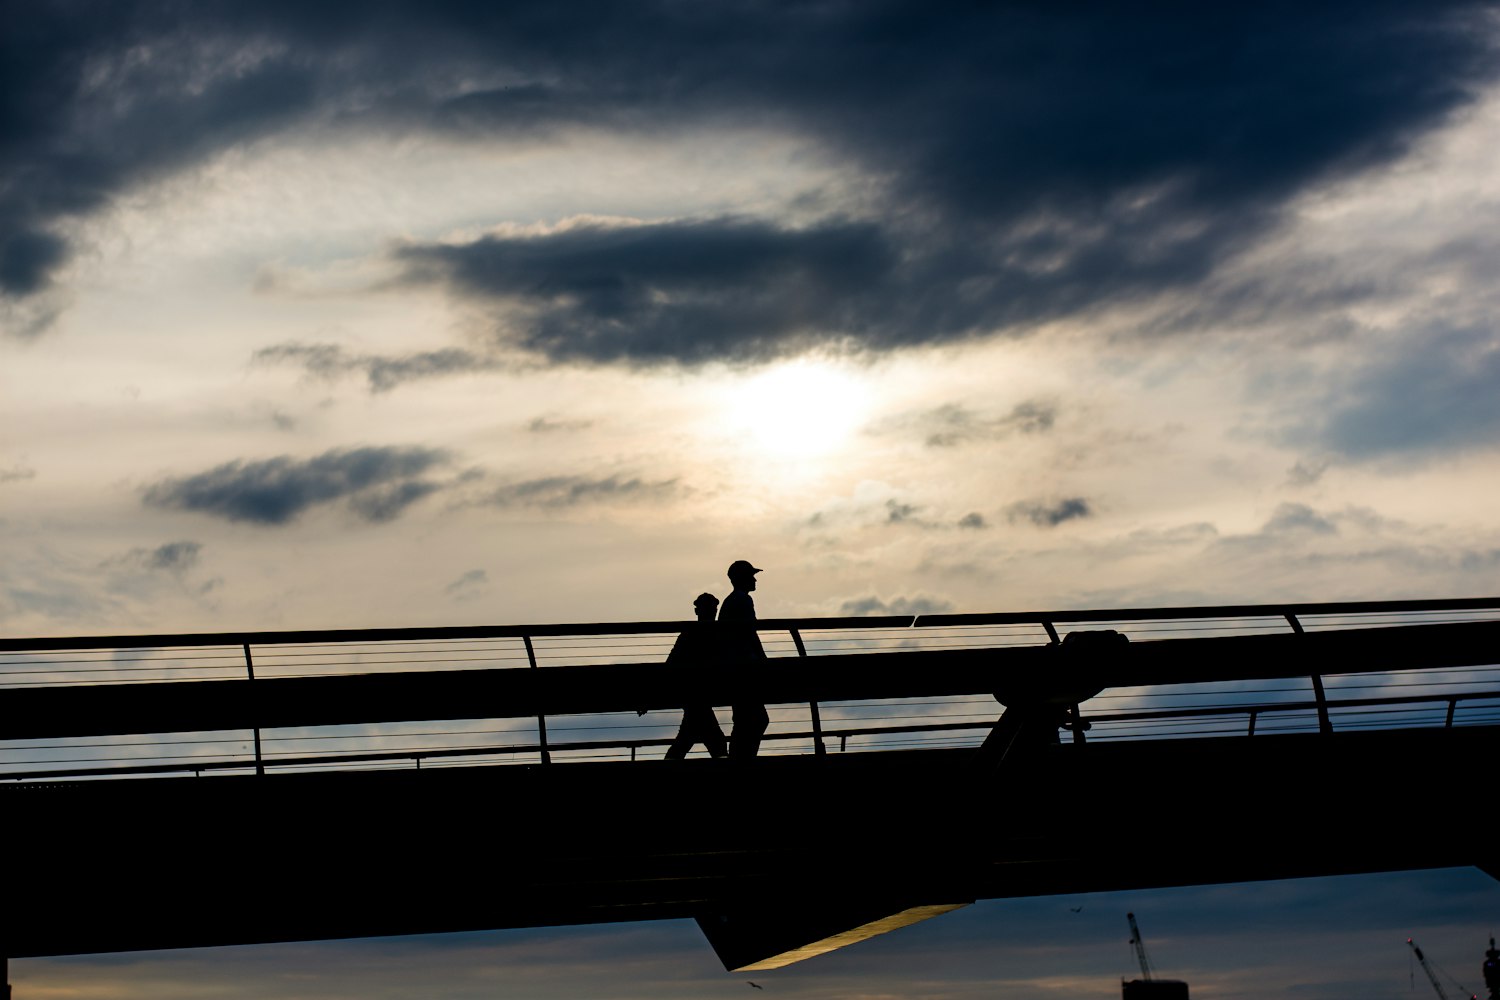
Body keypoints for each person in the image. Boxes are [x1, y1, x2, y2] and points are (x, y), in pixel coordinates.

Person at [663, 592, 728, 760]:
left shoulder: (689, 634)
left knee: (688, 738)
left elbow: (670, 664)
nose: (712, 612)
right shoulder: (718, 634)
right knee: (713, 741)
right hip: (699, 694)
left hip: (692, 694)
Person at [719, 559, 769, 758]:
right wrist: (762, 659)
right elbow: (750, 633)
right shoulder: (742, 600)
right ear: (742, 578)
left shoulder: (732, 600)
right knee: (755, 719)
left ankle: (740, 758)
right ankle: (743, 759)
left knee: (744, 719)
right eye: (751, 575)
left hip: (735, 667)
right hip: (743, 669)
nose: (755, 580)